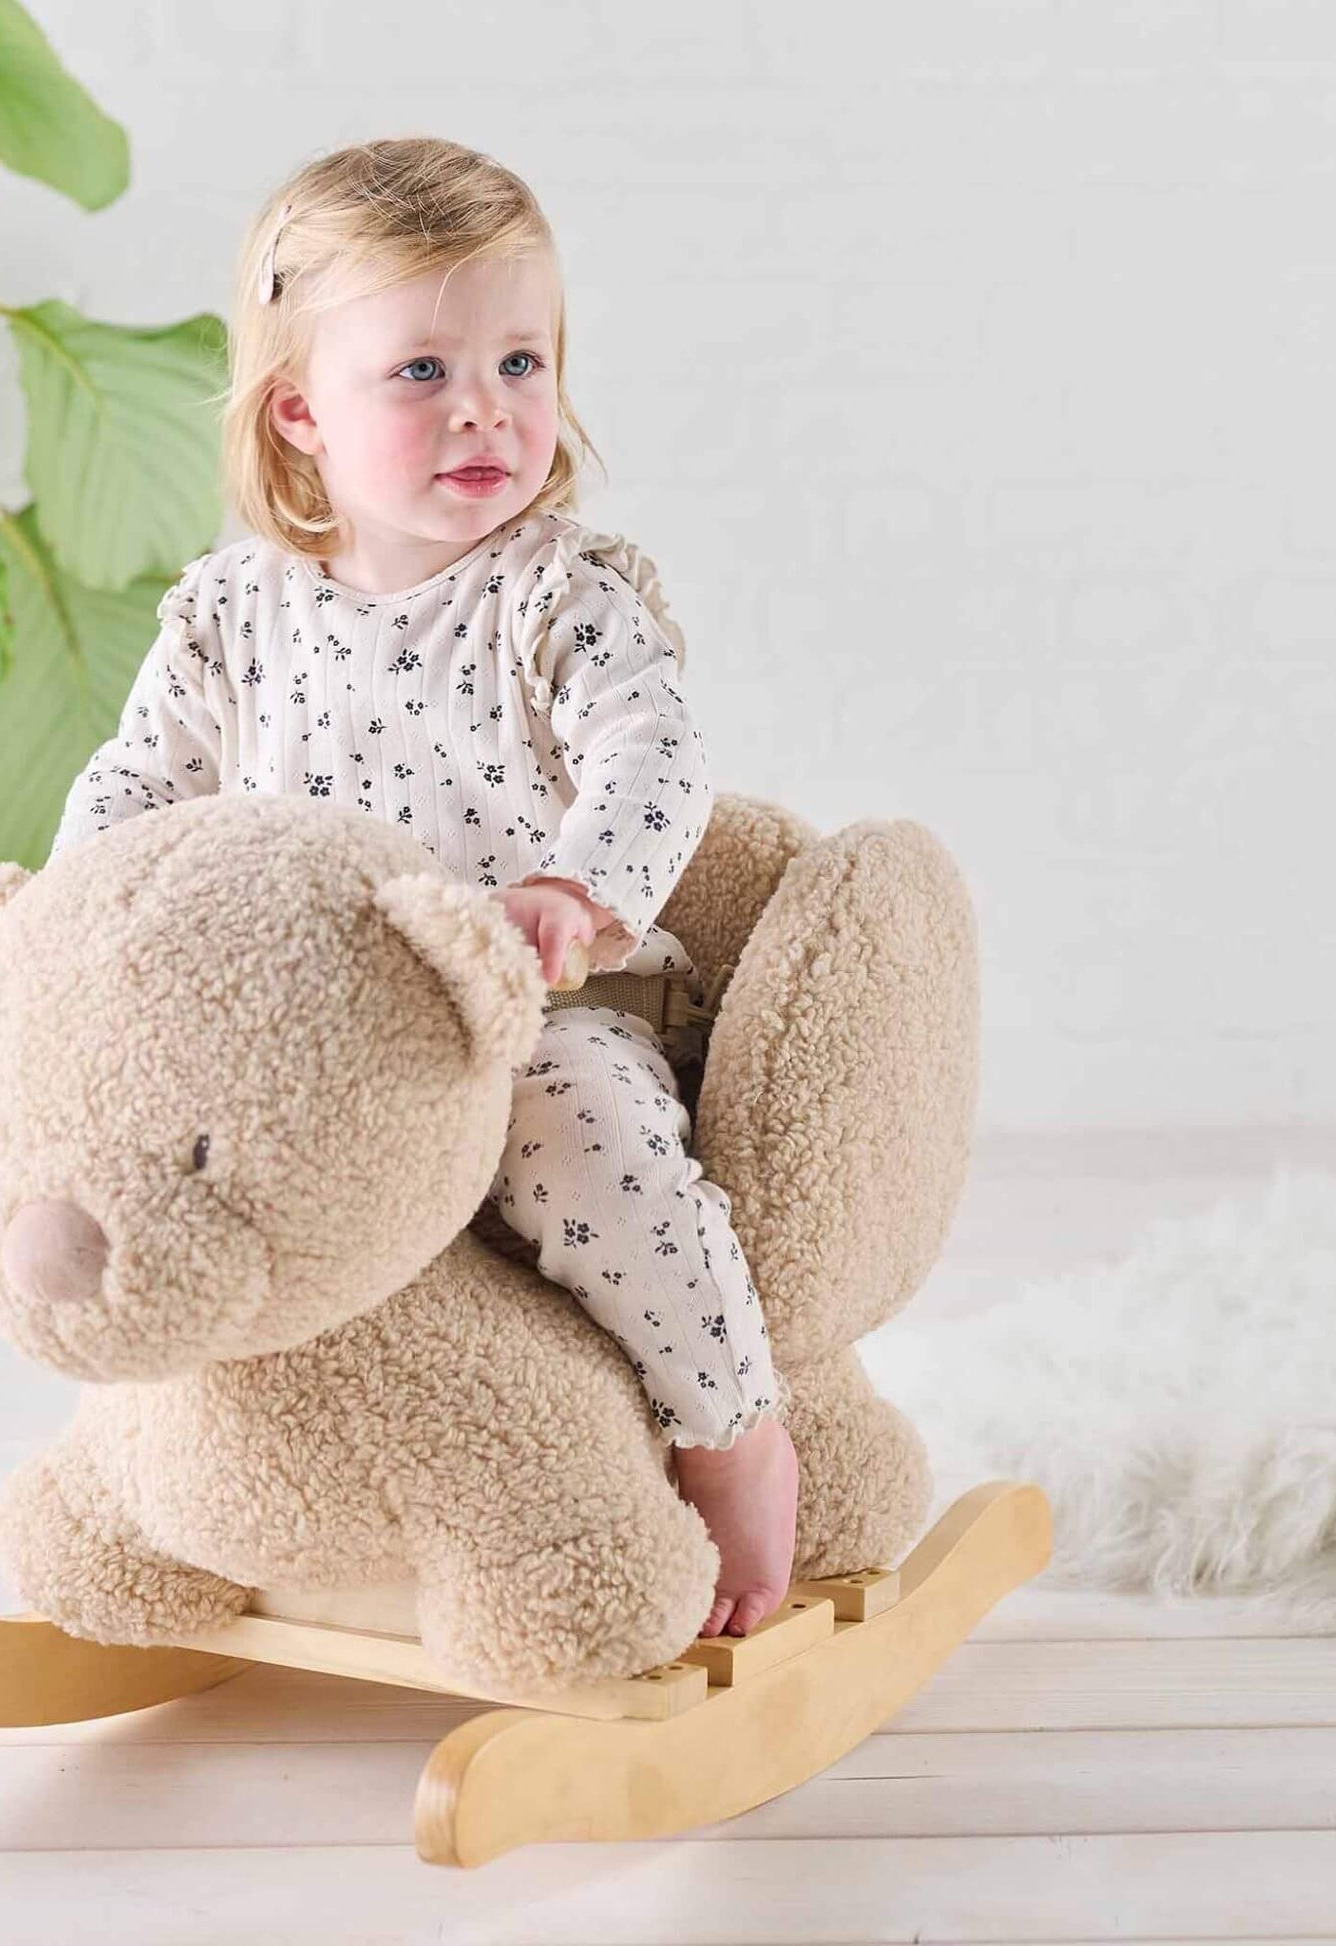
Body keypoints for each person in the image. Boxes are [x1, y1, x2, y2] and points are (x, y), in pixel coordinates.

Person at [48, 137, 797, 1639]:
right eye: (421, 371)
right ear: (300, 412)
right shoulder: (228, 614)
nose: (486, 408)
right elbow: (135, 788)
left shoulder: (554, 595)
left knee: (586, 1137)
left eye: (521, 360)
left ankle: (730, 1425)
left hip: (530, 1009)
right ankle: (166, 1488)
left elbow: (653, 752)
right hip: (319, 1046)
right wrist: (76, 925)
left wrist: (568, 889)